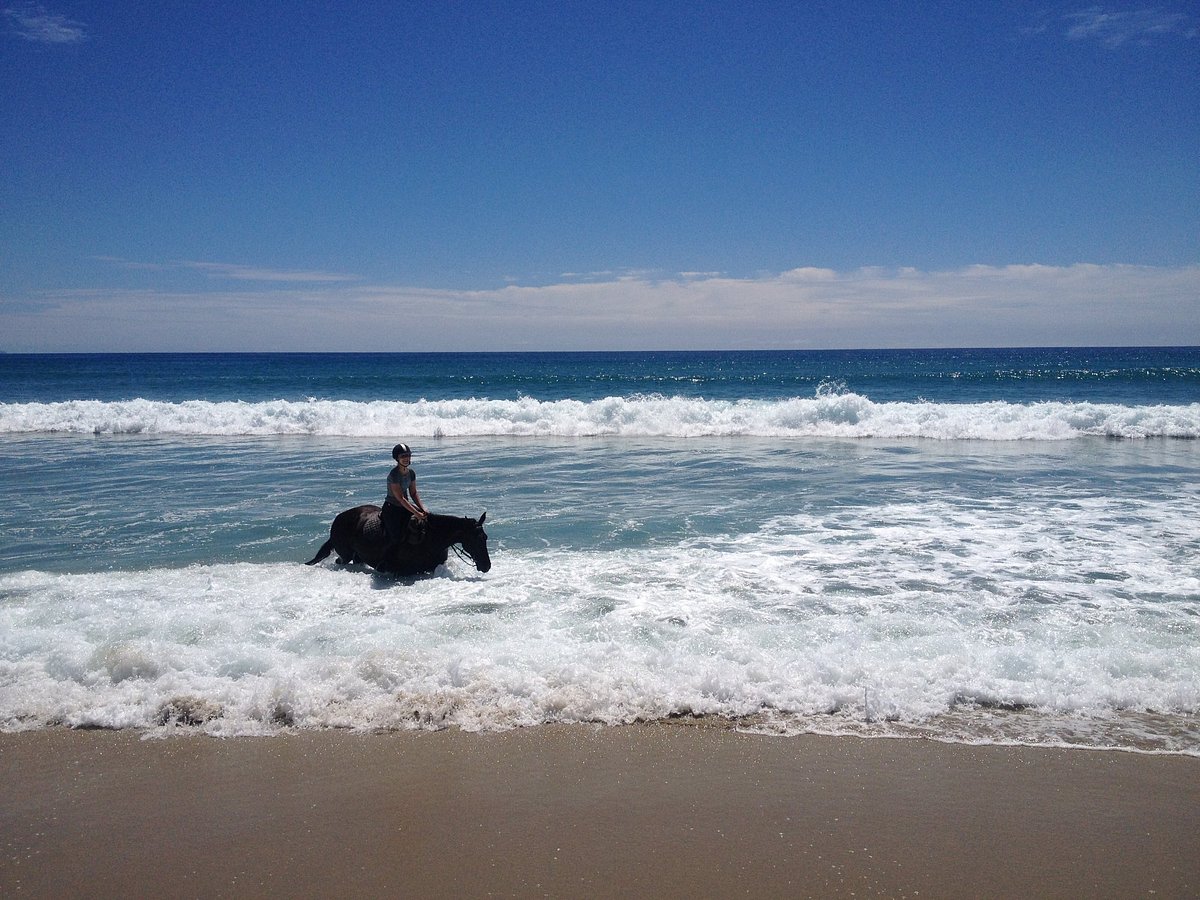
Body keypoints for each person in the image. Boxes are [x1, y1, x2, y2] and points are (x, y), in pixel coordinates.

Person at [382, 443, 429, 547]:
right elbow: (401, 499)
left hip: (405, 507)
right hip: (392, 509)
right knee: (396, 538)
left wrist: (422, 508)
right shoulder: (394, 475)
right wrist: (416, 513)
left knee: (426, 524)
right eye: (403, 456)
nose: (406, 458)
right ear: (397, 458)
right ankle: (385, 561)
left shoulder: (411, 473)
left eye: (408, 455)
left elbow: (413, 493)